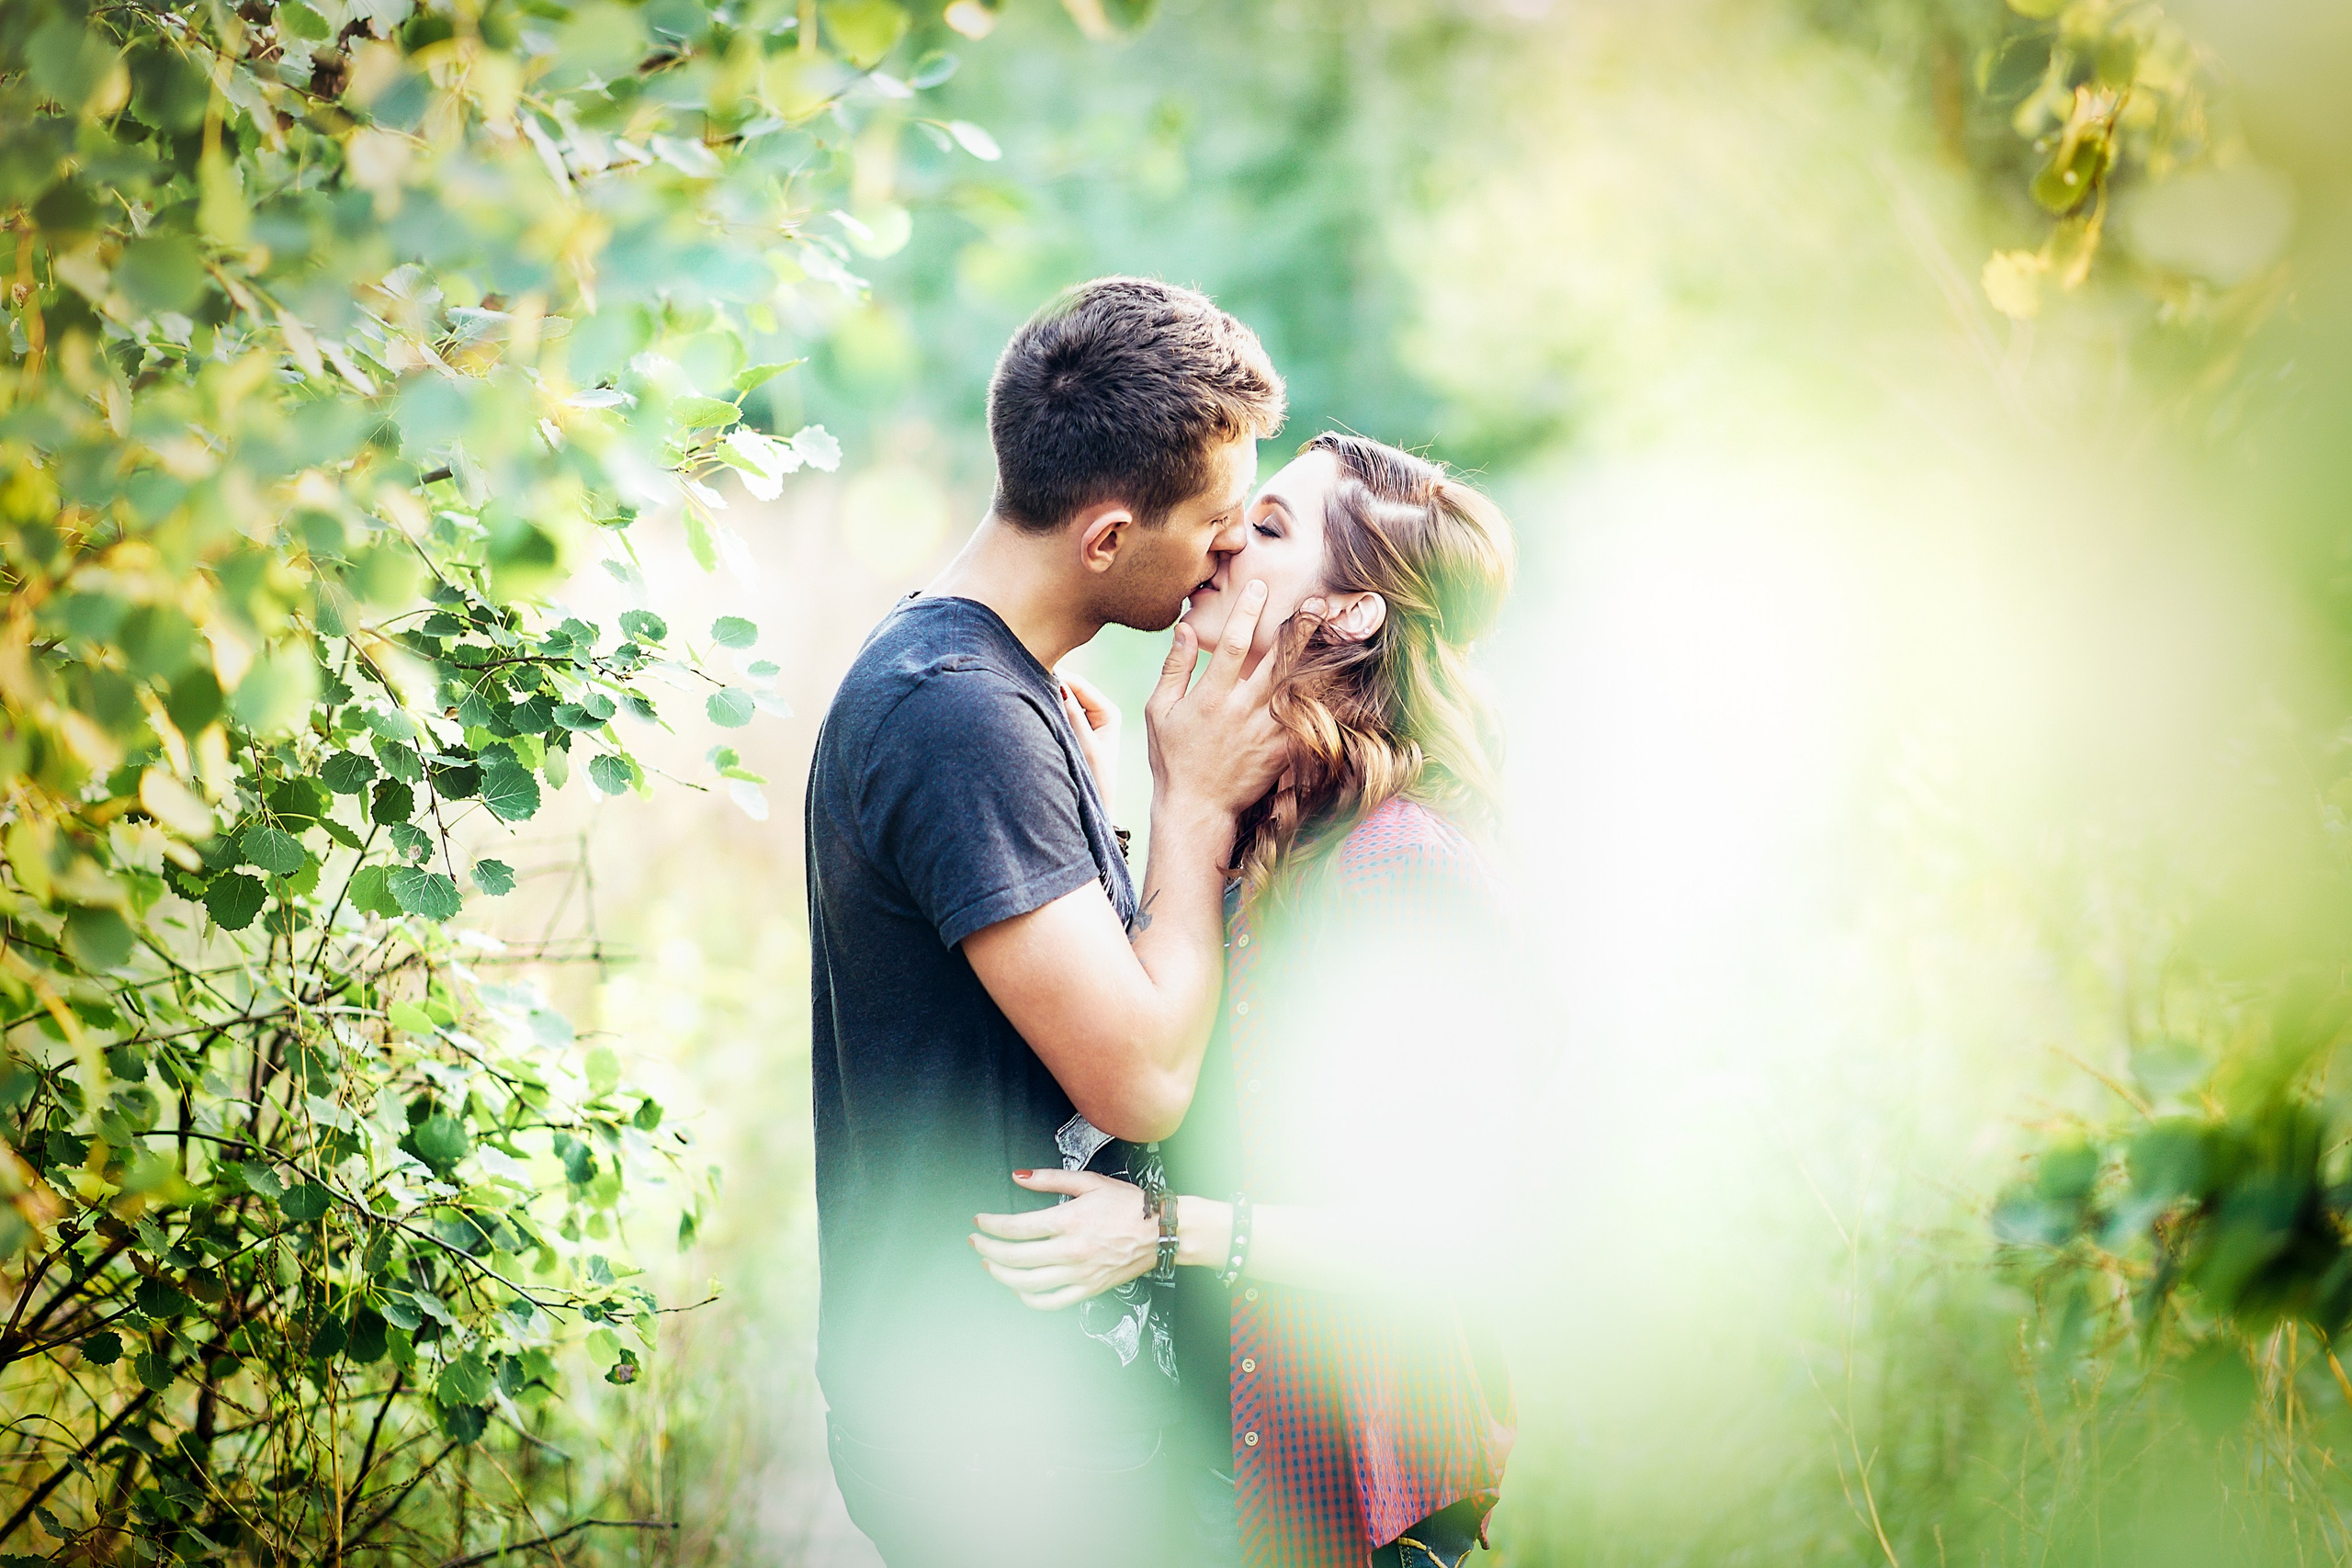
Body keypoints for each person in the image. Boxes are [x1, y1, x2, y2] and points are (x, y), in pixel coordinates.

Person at [803, 276, 1292, 1566]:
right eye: (1220, 523)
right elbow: (1138, 1076)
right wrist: (1191, 805)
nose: (1231, 553)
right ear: (1108, 534)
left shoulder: (986, 687)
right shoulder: (958, 716)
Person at [971, 433, 1524, 1568]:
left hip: (1349, 1510)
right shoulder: (1256, 831)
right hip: (1216, 1474)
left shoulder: (1395, 866)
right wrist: (1128, 801)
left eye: (1269, 528)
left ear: (1348, 617)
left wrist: (1168, 1235)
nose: (1223, 540)